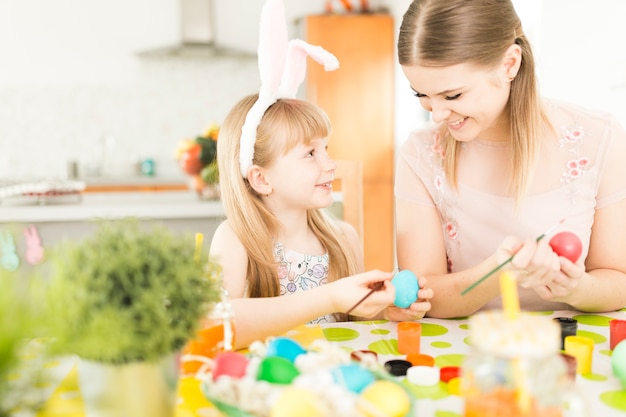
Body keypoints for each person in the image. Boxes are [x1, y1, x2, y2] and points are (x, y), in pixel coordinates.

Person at [210, 0, 432, 349]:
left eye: (326, 149)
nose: (330, 164)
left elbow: (351, 320)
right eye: (310, 153)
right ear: (262, 179)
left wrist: (385, 312)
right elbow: (219, 324)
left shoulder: (343, 238)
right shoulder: (235, 239)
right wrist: (329, 297)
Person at [395, 0, 626, 318]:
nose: (435, 115)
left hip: (568, 349)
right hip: (463, 351)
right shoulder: (420, 153)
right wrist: (500, 272)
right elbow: (424, 296)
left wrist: (577, 288)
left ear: (509, 65)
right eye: (421, 95)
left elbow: (618, 280)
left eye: (453, 96)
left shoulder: (600, 138)